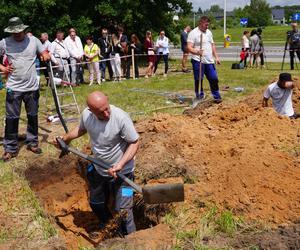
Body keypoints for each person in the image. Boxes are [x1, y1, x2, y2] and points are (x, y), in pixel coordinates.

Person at [55, 91, 139, 235]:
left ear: (108, 101)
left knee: (124, 211)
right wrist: (65, 138)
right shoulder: (87, 115)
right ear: (91, 111)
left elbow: (134, 142)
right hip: (99, 170)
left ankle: (133, 239)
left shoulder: (121, 117)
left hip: (125, 175)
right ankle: (110, 227)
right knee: (96, 203)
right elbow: (81, 129)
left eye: (107, 109)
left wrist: (121, 164)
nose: (106, 114)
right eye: (101, 112)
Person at [0, 17, 50, 161]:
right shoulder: (4, 43)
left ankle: (32, 142)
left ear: (24, 29)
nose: (17, 34)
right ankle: (10, 148)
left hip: (32, 87)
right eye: (13, 32)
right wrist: (3, 68)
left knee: (33, 116)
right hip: (14, 87)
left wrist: (45, 55)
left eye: (19, 32)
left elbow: (44, 53)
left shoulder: (34, 41)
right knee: (11, 118)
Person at [187, 16, 222, 103]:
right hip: (198, 60)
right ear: (200, 23)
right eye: (206, 25)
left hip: (209, 61)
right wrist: (197, 51)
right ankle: (199, 97)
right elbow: (189, 47)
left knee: (213, 78)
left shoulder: (209, 32)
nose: (207, 27)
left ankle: (217, 97)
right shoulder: (193, 33)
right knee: (199, 79)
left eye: (208, 25)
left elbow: (212, 45)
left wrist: (216, 57)